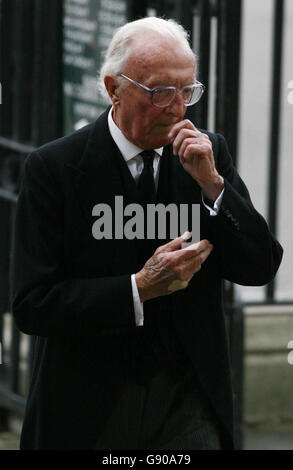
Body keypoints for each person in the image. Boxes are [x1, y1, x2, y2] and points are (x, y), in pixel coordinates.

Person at [11, 17, 283, 450]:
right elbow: (31, 304)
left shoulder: (206, 155)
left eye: (187, 91)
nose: (177, 107)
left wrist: (215, 187)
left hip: (188, 397)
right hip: (90, 401)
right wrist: (137, 289)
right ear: (114, 88)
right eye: (159, 92)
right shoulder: (54, 169)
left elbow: (260, 266)